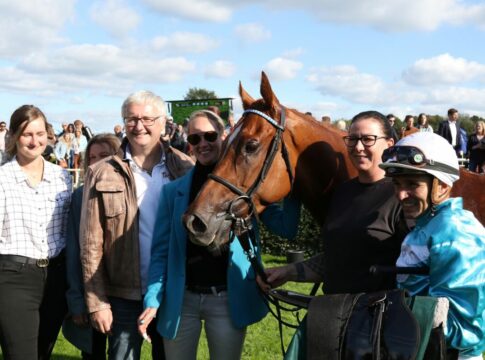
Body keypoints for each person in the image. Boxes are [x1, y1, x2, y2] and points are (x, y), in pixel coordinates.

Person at [137, 110, 300, 360]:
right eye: (194, 138)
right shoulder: (174, 192)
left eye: (210, 136)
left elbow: (286, 228)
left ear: (224, 136)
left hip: (227, 298)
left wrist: (293, 184)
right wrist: (153, 297)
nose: (203, 143)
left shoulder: (245, 188)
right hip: (183, 299)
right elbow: (160, 252)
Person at [79, 90, 194, 360]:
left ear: (163, 123)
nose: (138, 126)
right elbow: (90, 243)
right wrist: (97, 302)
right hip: (122, 295)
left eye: (147, 119)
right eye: (131, 119)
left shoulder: (186, 167)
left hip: (172, 290)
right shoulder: (102, 171)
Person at [261, 110, 408, 296]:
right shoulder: (342, 192)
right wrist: (287, 272)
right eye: (352, 139)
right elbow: (336, 259)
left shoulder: (401, 195)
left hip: (377, 315)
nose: (358, 147)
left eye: (368, 139)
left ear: (389, 144)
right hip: (332, 312)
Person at [379, 132, 484, 359]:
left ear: (442, 185)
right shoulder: (429, 225)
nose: (400, 194)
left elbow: (465, 329)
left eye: (412, 184)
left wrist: (383, 314)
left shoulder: (456, 232)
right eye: (397, 184)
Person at [0, 105, 72, 360]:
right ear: (14, 137)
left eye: (40, 133)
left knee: (43, 353)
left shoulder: (62, 177)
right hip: (14, 277)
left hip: (55, 277)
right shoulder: (2, 179)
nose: (34, 141)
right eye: (26, 134)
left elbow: (67, 229)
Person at [64, 134, 121, 360]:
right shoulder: (80, 195)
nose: (97, 162)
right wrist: (77, 300)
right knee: (93, 351)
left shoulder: (132, 191)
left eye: (105, 156)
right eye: (93, 157)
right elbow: (74, 250)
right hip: (92, 289)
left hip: (125, 290)